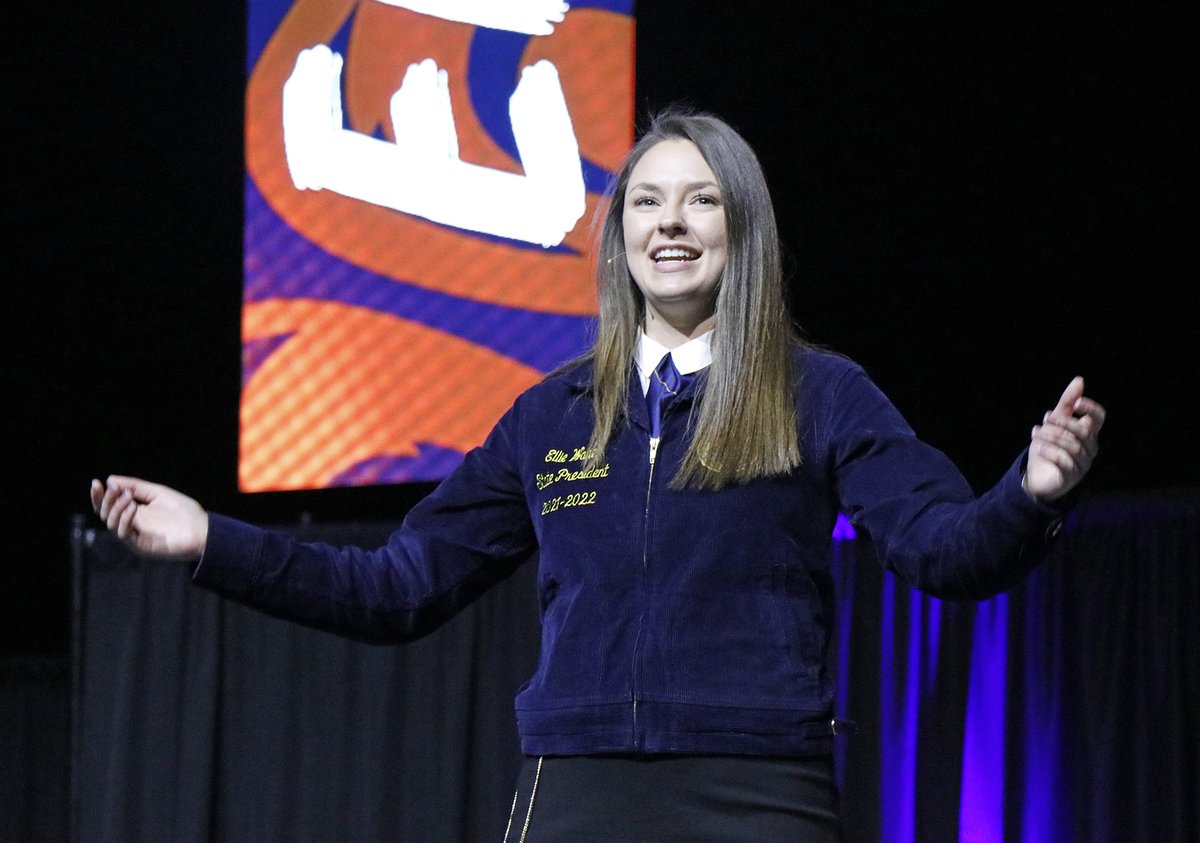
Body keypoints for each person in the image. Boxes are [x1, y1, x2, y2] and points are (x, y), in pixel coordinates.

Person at [91, 108, 1105, 842]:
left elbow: (944, 549)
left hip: (757, 790)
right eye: (649, 202)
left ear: (741, 229)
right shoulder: (552, 414)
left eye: (702, 201)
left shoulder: (820, 392)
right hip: (576, 793)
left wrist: (1030, 495)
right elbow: (397, 589)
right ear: (619, 234)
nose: (672, 223)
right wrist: (210, 540)